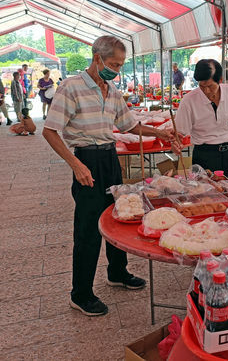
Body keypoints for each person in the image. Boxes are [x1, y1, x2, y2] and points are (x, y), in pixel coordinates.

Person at [43, 35, 178, 317]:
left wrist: (161, 132)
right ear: (97, 58)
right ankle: (80, 293)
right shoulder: (72, 87)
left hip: (109, 158)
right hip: (87, 159)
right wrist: (76, 166)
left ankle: (118, 272)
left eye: (119, 65)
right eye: (113, 64)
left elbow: (129, 124)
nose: (116, 69)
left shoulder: (112, 89)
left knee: (120, 215)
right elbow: (50, 131)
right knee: (89, 228)